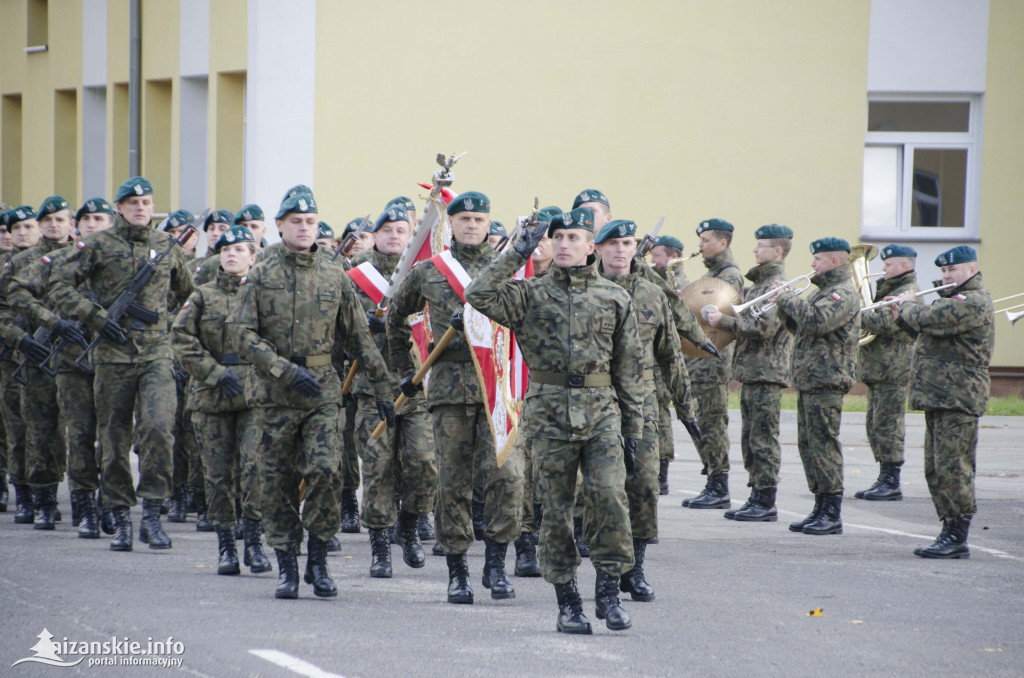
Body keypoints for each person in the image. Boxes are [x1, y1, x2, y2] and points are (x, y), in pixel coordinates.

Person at [465, 206, 642, 635]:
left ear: (590, 247)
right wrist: (514, 253)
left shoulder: (615, 298)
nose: (564, 245)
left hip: (601, 414)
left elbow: (629, 370)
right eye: (557, 238)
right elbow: (478, 295)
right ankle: (568, 602)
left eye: (573, 238)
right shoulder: (529, 293)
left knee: (610, 500)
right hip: (548, 416)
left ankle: (609, 594)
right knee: (556, 513)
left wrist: (634, 431)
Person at [231, 191, 395, 599]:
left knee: (326, 471)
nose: (304, 228)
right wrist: (282, 369)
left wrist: (383, 389)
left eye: (310, 221)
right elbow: (239, 334)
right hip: (274, 393)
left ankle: (318, 560)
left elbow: (358, 335)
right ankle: (287, 564)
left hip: (322, 390)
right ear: (281, 225)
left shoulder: (334, 273)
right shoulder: (261, 271)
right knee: (278, 481)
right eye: (296, 221)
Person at [387, 191, 524, 605]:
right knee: (453, 483)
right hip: (448, 387)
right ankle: (457, 568)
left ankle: (496, 564)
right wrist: (405, 370)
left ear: (487, 224)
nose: (470, 225)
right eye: (463, 218)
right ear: (452, 224)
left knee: (507, 476)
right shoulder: (430, 271)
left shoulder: (507, 271)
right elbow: (395, 317)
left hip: (495, 387)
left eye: (478, 219)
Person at [50, 177, 196, 552]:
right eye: (132, 202)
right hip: (113, 356)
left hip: (157, 354)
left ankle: (151, 513)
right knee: (114, 439)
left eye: (146, 202)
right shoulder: (98, 244)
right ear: (119, 208)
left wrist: (164, 325)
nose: (140, 208)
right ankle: (119, 516)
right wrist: (96, 317)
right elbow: (59, 285)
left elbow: (186, 294)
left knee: (160, 430)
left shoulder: (166, 245)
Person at [595, 218, 696, 601]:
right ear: (599, 248)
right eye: (614, 243)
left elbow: (672, 355)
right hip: (597, 403)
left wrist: (688, 410)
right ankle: (604, 571)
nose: (621, 250)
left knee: (643, 487)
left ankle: (634, 570)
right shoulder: (584, 288)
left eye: (628, 243)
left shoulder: (652, 294)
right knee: (601, 491)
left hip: (644, 405)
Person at [173, 224, 272, 575]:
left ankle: (255, 544)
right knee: (217, 476)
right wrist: (215, 374)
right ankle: (226, 547)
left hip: (254, 394)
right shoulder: (202, 296)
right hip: (211, 396)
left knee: (254, 469)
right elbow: (182, 339)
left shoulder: (264, 294)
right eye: (225, 250)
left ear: (253, 256)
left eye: (239, 250)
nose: (231, 254)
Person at [346, 205, 437, 579]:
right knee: (379, 469)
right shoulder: (354, 276)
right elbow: (339, 329)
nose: (396, 236)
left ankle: (409, 524)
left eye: (403, 230)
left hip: (415, 384)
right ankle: (380, 546)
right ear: (377, 233)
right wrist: (359, 329)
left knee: (424, 464)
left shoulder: (424, 271)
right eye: (388, 230)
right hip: (374, 387)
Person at [892, 246, 994, 558]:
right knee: (935, 468)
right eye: (944, 271)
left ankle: (957, 535)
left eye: (953, 270)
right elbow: (928, 331)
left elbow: (933, 319)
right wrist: (901, 315)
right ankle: (948, 528)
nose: (946, 276)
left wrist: (908, 305)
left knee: (954, 468)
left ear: (971, 269)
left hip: (958, 397)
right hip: (940, 396)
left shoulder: (971, 301)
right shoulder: (951, 300)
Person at [706, 224, 795, 521]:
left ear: (778, 251)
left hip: (766, 374)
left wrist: (726, 322)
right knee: (750, 439)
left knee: (763, 439)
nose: (755, 250)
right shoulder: (757, 286)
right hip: (751, 373)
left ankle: (766, 500)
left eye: (761, 246)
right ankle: (756, 493)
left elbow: (765, 327)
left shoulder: (776, 287)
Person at [773, 237, 860, 536]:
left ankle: (832, 512)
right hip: (811, 381)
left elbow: (817, 322)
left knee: (824, 445)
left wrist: (787, 299)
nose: (812, 264)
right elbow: (800, 327)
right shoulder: (821, 292)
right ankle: (820, 505)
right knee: (809, 446)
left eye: (818, 259)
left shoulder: (842, 294)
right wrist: (784, 308)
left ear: (834, 261)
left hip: (827, 381)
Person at [3, 196, 79, 531]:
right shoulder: (25, 263)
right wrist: (22, 339)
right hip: (36, 354)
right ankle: (40, 499)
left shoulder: (86, 255)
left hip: (77, 355)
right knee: (37, 429)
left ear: (70, 223)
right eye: (46, 221)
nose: (53, 226)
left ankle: (84, 500)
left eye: (59, 220)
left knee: (77, 432)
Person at [683, 219, 744, 509]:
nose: (700, 245)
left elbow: (720, 323)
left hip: (711, 361)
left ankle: (718, 486)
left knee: (712, 424)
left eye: (706, 239)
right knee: (705, 423)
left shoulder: (729, 276)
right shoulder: (717, 274)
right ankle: (713, 482)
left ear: (723, 243)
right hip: (701, 361)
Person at [855, 244, 919, 501]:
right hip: (878, 368)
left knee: (888, 425)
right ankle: (884, 476)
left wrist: (855, 312)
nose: (883, 269)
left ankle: (891, 481)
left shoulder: (908, 292)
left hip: (892, 368)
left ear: (904, 266)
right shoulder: (889, 291)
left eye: (888, 264)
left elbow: (883, 322)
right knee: (875, 424)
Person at [0, 207, 42, 524]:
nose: (23, 233)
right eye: (17, 228)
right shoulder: (9, 269)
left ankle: (44, 494)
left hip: (47, 355)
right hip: (12, 356)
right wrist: (18, 338)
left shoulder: (53, 263)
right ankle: (21, 493)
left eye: (29, 226)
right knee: (15, 429)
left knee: (45, 430)